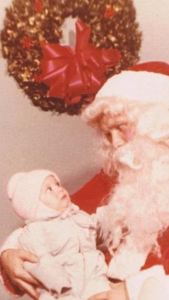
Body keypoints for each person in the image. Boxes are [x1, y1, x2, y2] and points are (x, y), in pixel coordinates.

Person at [1, 61, 169, 300]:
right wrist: (9, 254)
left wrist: (129, 291)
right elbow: (51, 219)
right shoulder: (116, 177)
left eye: (122, 128)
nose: (116, 143)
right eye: (107, 134)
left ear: (159, 121)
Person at [1, 169, 112, 300]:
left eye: (57, 185)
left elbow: (96, 230)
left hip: (94, 274)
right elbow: (40, 260)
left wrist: (113, 214)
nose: (59, 189)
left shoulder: (78, 215)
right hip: (62, 287)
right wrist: (60, 284)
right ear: (36, 206)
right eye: (49, 189)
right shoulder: (34, 230)